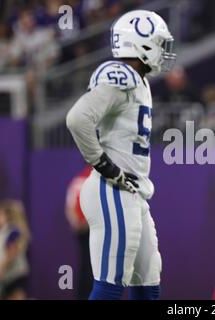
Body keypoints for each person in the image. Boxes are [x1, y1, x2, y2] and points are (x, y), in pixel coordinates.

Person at [66, 10, 176, 300]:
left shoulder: (140, 81)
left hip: (132, 192)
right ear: (142, 43)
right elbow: (77, 119)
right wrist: (104, 165)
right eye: (159, 43)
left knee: (148, 283)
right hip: (112, 189)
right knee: (111, 285)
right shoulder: (121, 76)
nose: (164, 52)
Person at [0, 199, 31, 300]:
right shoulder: (0, 232)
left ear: (6, 215)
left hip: (14, 276)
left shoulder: (12, 231)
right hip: (5, 277)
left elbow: (11, 253)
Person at [65, 165, 93, 300]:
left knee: (87, 266)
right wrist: (82, 223)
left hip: (85, 229)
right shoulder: (88, 180)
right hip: (89, 231)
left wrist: (77, 223)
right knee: (90, 266)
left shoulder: (79, 180)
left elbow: (69, 207)